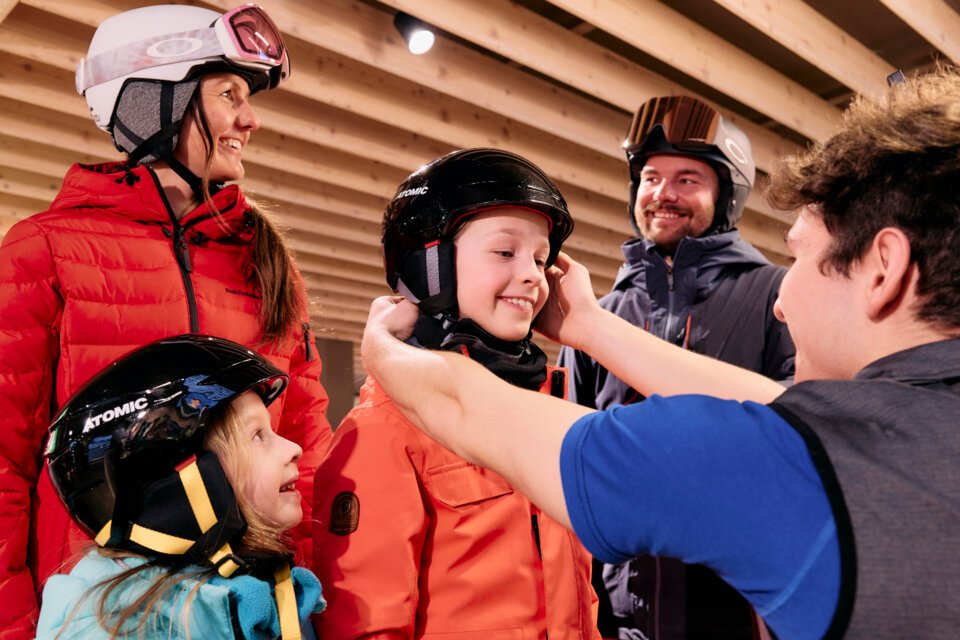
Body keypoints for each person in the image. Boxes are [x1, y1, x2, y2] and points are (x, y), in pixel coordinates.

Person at [358, 67, 960, 639]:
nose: (781, 302)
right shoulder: (901, 434)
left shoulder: (793, 467)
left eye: (799, 257)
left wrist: (384, 353)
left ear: (885, 268)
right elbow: (781, 408)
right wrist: (591, 326)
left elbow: (471, 414)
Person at [0, 5, 332, 637]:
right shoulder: (43, 251)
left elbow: (309, 443)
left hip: (248, 609)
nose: (250, 119)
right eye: (228, 93)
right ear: (154, 99)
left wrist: (310, 603)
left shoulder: (268, 263)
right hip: (99, 615)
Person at [312, 148, 600, 639]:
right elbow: (365, 625)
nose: (533, 273)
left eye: (540, 257)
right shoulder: (387, 427)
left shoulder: (553, 411)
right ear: (432, 267)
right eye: (506, 252)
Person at [557, 95, 795, 640]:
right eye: (650, 177)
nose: (663, 193)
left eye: (687, 179)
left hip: (742, 613)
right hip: (623, 617)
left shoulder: (775, 297)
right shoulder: (601, 315)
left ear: (726, 194)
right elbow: (570, 461)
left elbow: (803, 439)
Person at [36, 335, 325, 639]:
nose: (293, 448)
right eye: (257, 435)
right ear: (180, 482)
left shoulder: (268, 593)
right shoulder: (113, 626)